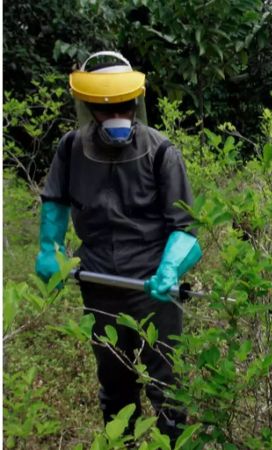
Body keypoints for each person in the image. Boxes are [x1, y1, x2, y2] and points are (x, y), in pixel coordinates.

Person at [34, 51, 201, 443]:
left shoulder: (162, 151)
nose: (115, 118)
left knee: (165, 382)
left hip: (153, 289)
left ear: (134, 104)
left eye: (122, 108)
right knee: (115, 382)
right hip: (99, 284)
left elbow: (186, 229)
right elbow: (55, 200)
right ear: (90, 108)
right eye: (105, 110)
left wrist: (171, 269)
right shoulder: (71, 148)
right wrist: (49, 250)